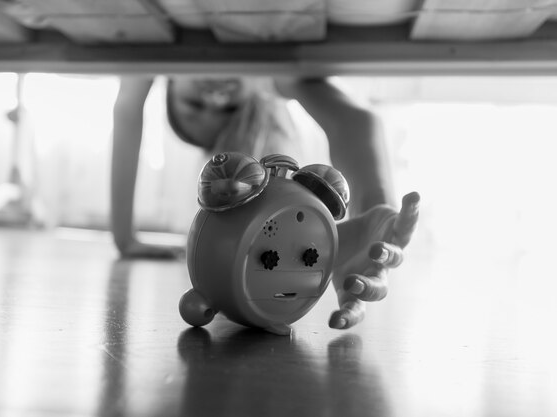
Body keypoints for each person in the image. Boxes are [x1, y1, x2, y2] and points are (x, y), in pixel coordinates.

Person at [110, 75, 420, 330]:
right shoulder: (271, 74)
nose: (215, 99)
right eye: (231, 108)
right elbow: (354, 122)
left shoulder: (155, 57)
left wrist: (124, 238)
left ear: (169, 81)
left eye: (192, 104)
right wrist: (374, 210)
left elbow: (127, 106)